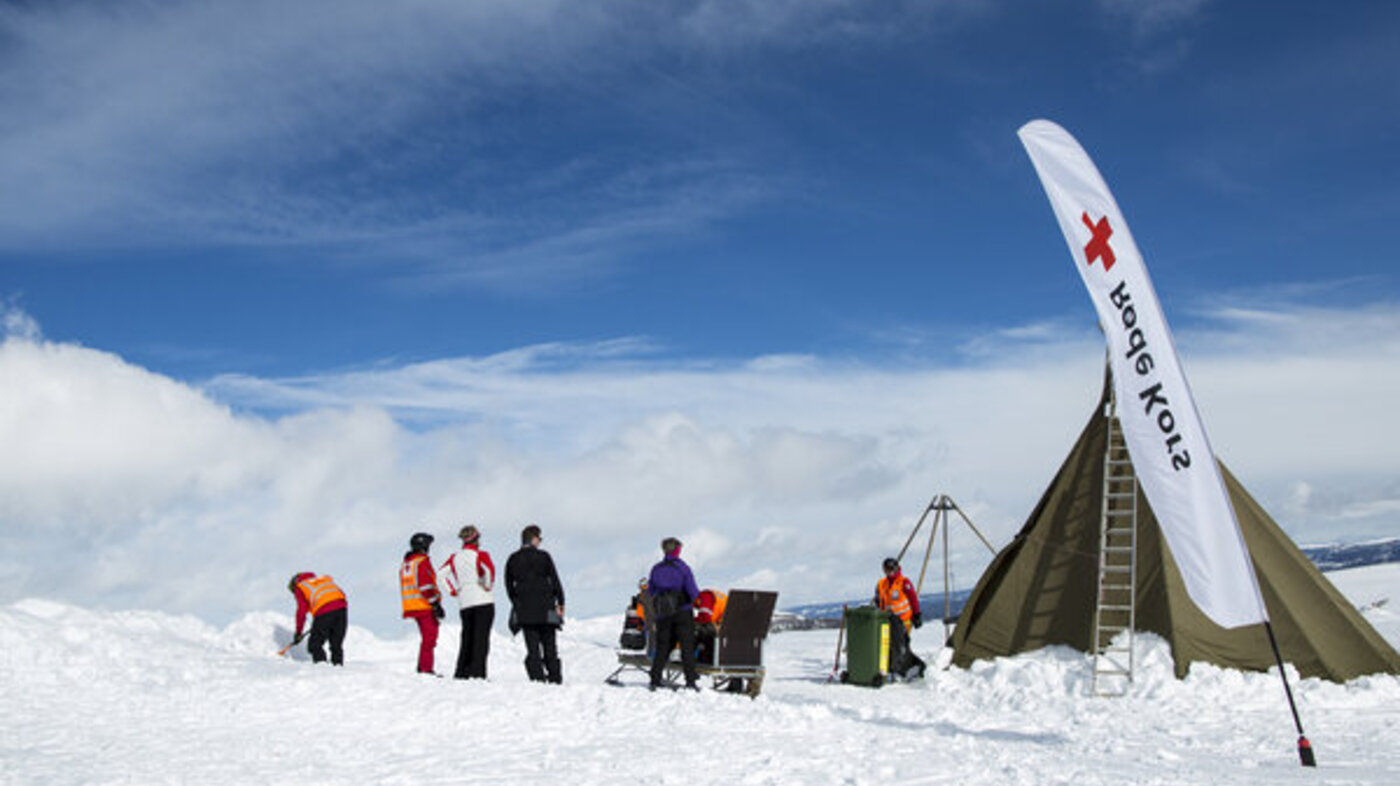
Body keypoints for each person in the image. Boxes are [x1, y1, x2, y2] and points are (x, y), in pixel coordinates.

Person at [504, 524, 565, 683]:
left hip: (525, 610)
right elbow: (555, 580)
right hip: (547, 608)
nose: (541, 542)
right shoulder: (544, 556)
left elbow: (508, 585)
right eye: (540, 538)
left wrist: (516, 602)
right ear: (533, 539)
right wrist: (561, 602)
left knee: (533, 649)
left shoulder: (513, 559)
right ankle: (555, 679)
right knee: (550, 647)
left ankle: (537, 680)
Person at [440, 524, 496, 680]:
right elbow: (489, 571)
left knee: (467, 638)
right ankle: (478, 674)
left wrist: (453, 590)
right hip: (483, 600)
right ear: (477, 539)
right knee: (481, 639)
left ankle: (462, 672)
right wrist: (487, 585)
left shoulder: (454, 557)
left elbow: (440, 575)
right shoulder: (481, 554)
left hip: (464, 601)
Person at [647, 537, 700, 691]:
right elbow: (692, 591)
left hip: (663, 613)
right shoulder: (683, 568)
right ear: (677, 550)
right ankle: (690, 681)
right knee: (686, 646)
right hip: (682, 611)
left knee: (663, 646)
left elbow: (651, 590)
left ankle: (655, 678)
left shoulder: (656, 569)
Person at [874, 557, 926, 679]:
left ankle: (903, 668)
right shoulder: (881, 584)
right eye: (886, 569)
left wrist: (917, 614)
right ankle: (890, 667)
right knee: (887, 644)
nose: (889, 572)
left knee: (900, 644)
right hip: (887, 620)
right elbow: (878, 600)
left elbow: (913, 598)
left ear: (896, 568)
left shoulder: (904, 582)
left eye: (891, 569)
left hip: (903, 620)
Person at [401, 532, 445, 674]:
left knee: (427, 638)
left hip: (412, 606)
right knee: (429, 637)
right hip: (424, 605)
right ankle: (425, 669)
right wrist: (436, 605)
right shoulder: (422, 561)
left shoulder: (407, 563)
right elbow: (426, 586)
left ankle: (423, 667)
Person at [288, 572, 348, 665]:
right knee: (336, 645)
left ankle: (322, 670)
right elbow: (339, 594)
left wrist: (298, 633)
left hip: (324, 610)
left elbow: (302, 611)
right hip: (342, 609)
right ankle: (338, 669)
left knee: (314, 644)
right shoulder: (324, 580)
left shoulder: (300, 586)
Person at [693, 587, 727, 664]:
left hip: (718, 632)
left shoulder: (705, 596)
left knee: (693, 628)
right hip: (726, 633)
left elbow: (705, 617)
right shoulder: (715, 595)